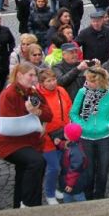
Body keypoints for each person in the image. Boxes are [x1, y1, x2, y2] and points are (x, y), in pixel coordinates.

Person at [0, 63, 52, 208]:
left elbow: (49, 115)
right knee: (37, 162)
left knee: (24, 172)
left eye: (34, 75)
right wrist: (33, 118)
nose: (33, 79)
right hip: (10, 144)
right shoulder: (8, 94)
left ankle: (20, 205)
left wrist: (36, 112)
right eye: (30, 75)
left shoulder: (32, 92)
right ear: (19, 75)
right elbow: (5, 127)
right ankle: (29, 204)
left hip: (30, 142)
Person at [69, 66, 109, 200]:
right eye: (87, 80)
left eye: (91, 81)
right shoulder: (82, 92)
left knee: (103, 170)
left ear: (100, 81)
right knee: (89, 170)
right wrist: (83, 126)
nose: (87, 84)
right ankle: (88, 195)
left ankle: (100, 195)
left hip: (105, 138)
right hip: (86, 137)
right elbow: (73, 113)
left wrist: (108, 125)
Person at [35, 69, 72, 205]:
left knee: (63, 165)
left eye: (54, 79)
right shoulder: (37, 96)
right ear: (41, 83)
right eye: (48, 81)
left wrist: (69, 127)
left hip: (63, 134)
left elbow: (69, 107)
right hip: (47, 138)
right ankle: (49, 193)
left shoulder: (61, 90)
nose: (52, 83)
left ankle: (56, 187)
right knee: (54, 167)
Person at [56, 123, 88, 203]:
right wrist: (60, 143)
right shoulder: (75, 143)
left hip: (74, 181)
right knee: (67, 195)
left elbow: (75, 170)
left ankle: (86, 210)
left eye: (65, 132)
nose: (63, 133)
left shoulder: (76, 152)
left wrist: (70, 184)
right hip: (68, 178)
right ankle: (68, 209)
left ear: (68, 136)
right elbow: (66, 145)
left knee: (78, 196)